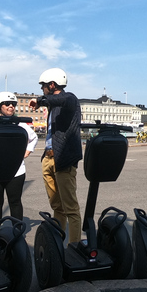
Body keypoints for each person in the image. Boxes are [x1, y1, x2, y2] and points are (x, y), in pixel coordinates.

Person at [28, 68, 83, 243]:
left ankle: (74, 248)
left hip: (64, 159)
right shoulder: (53, 105)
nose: (42, 89)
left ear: (52, 85)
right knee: (57, 206)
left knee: (70, 208)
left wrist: (40, 100)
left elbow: (64, 99)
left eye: (43, 86)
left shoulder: (70, 99)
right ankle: (58, 246)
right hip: (49, 158)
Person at [0, 91, 38, 229]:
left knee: (15, 202)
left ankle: (18, 232)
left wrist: (26, 152)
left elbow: (33, 138)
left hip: (16, 171)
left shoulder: (20, 124)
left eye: (13, 104)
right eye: (7, 104)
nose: (11, 106)